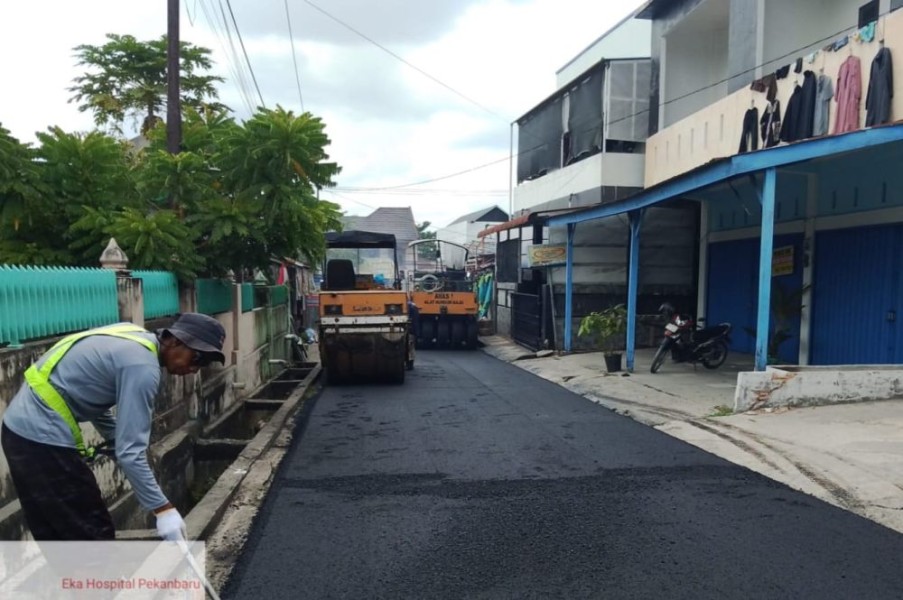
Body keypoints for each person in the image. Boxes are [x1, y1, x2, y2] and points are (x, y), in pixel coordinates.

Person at [1, 313, 226, 541]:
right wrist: (163, 510)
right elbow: (130, 453)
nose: (196, 369)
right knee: (92, 532)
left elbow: (89, 389)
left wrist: (113, 436)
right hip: (41, 440)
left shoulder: (128, 334)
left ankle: (71, 576)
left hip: (17, 432)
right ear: (175, 340)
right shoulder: (142, 367)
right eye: (197, 358)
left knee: (55, 533)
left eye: (205, 363)